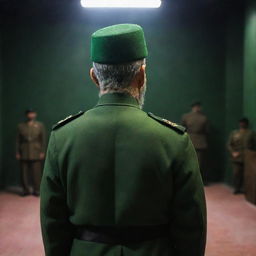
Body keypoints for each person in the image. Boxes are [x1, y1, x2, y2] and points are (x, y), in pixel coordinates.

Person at [40, 24, 206, 256]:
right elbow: (191, 225)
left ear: (94, 77)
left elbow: (53, 223)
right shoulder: (173, 139)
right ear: (142, 75)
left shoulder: (62, 137)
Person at [16, 109, 46, 196]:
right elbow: (17, 140)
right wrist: (17, 152)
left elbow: (43, 139)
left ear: (35, 114)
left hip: (36, 151)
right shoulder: (21, 126)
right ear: (26, 115)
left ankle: (37, 190)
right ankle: (25, 190)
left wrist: (42, 151)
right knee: (24, 172)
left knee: (36, 172)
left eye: (32, 113)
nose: (31, 115)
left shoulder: (40, 125)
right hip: (24, 151)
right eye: (29, 114)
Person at [181, 102, 209, 185]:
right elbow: (207, 131)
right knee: (197, 162)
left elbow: (182, 128)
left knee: (195, 162)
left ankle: (193, 181)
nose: (197, 108)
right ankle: (195, 181)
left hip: (192, 141)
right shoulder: (203, 117)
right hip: (197, 141)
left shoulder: (186, 116)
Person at [227, 118, 255, 194]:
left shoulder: (251, 133)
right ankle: (237, 188)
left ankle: (247, 190)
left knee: (248, 174)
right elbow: (229, 144)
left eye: (244, 123)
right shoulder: (234, 133)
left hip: (248, 157)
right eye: (241, 123)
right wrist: (233, 152)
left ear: (247, 124)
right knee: (236, 173)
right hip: (237, 156)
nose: (242, 124)